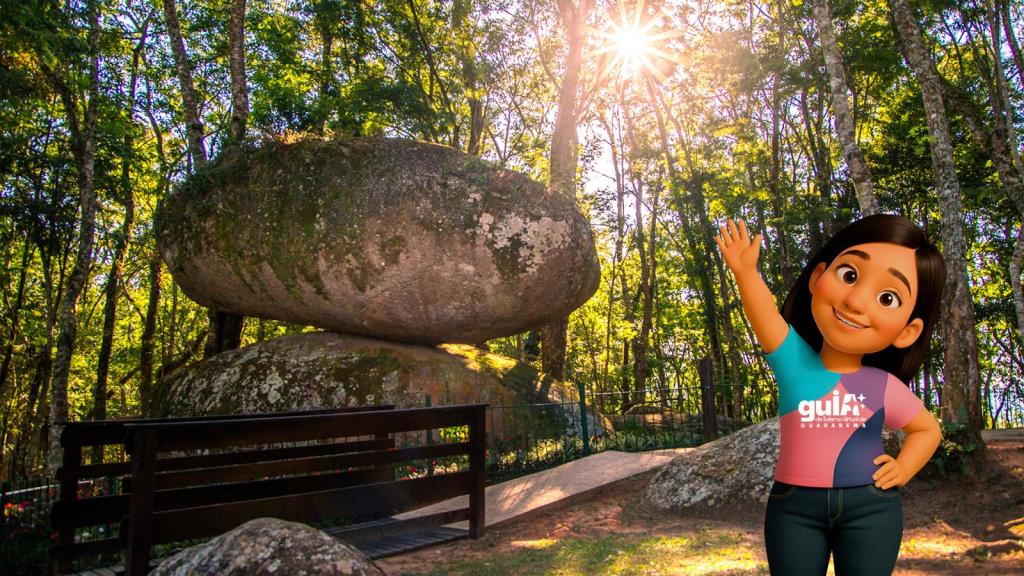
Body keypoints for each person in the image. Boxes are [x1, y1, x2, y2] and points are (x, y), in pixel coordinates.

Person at [716, 214, 944, 576]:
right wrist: (745, 273)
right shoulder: (794, 362)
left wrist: (903, 468)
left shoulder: (883, 385)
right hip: (794, 508)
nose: (856, 301)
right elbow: (765, 316)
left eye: (887, 297)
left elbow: (927, 430)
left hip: (871, 508)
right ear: (819, 276)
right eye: (849, 275)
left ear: (907, 331)